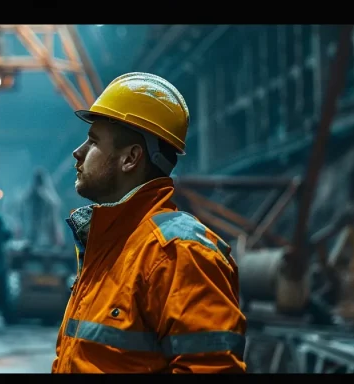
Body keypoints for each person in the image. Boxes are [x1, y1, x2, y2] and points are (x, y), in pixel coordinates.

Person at [51, 72, 246, 373]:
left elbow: (210, 368)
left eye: (93, 141)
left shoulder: (178, 252)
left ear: (130, 158)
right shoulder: (110, 248)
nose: (78, 153)